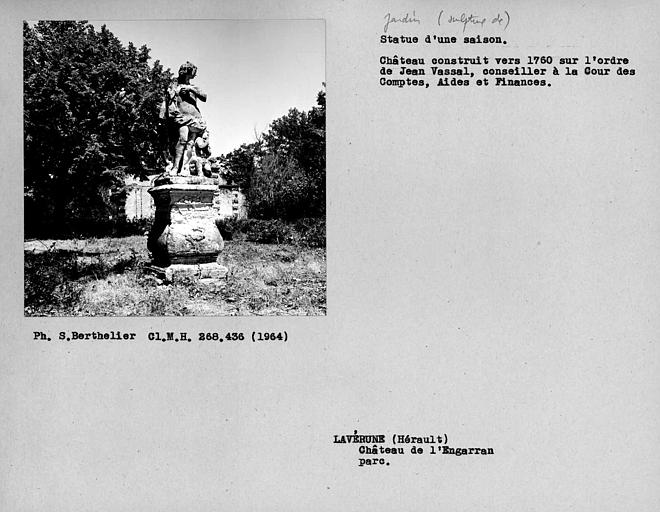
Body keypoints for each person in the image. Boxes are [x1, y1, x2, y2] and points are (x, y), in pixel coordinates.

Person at [162, 61, 207, 175]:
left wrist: (190, 89)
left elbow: (204, 97)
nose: (189, 77)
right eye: (188, 74)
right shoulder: (174, 86)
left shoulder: (192, 87)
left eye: (191, 75)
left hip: (196, 120)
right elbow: (167, 102)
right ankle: (176, 167)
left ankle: (184, 168)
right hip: (181, 118)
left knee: (190, 144)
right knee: (182, 140)